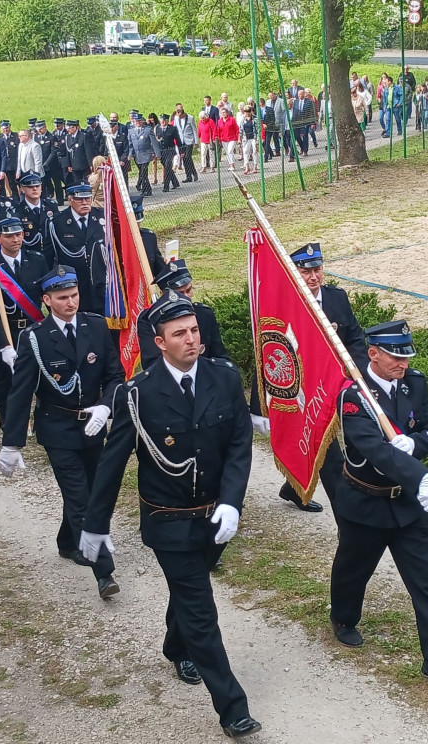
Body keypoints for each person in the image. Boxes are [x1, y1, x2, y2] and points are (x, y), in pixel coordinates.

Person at [80, 291, 262, 740]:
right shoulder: (137, 394)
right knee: (201, 610)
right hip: (169, 520)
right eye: (179, 334)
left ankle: (172, 645)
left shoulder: (223, 376)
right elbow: (112, 463)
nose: (191, 340)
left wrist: (232, 502)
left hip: (216, 517)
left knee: (189, 590)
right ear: (159, 342)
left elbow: (239, 444)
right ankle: (232, 708)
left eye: (195, 330)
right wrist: (94, 525)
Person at [328, 320, 428, 694]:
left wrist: (415, 444)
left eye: (406, 356)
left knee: (426, 584)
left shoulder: (414, 383)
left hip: (407, 507)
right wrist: (416, 472)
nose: (402, 364)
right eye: (394, 356)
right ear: (373, 353)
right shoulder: (354, 395)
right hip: (367, 501)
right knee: (353, 570)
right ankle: (343, 619)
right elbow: (372, 448)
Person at [0, 265, 124, 599]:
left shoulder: (95, 327)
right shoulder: (35, 339)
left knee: (94, 488)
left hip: (93, 425)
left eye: (75, 295)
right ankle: (104, 572)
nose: (71, 303)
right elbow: (21, 391)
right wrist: (12, 443)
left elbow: (115, 375)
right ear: (47, 300)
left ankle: (67, 542)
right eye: (63, 297)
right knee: (82, 499)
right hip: (57, 428)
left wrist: (106, 406)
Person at [252, 243, 368, 513]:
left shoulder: (336, 298)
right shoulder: (286, 307)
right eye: (306, 272)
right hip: (304, 392)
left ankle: (293, 488)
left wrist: (360, 375)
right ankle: (345, 515)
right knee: (326, 449)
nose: (314, 277)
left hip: (338, 383)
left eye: (317, 270)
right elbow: (267, 353)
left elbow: (354, 338)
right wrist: (258, 406)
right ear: (294, 273)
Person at [0, 216, 49, 429]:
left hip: (31, 328)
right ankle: (10, 421)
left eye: (18, 234)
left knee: (40, 375)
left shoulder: (37, 260)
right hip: (4, 331)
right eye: (9, 236)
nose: (16, 239)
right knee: (5, 380)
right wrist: (5, 345)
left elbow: (48, 296)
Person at [137, 259, 227, 368]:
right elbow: (152, 363)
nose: (186, 297)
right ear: (163, 294)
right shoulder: (149, 319)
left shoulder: (204, 314)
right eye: (180, 293)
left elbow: (220, 356)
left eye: (188, 290)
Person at [44, 184, 105, 313]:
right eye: (79, 200)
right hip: (74, 284)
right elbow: (50, 256)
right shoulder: (58, 222)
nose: (84, 203)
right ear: (70, 200)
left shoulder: (102, 217)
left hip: (101, 282)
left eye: (87, 199)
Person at [127, 113, 161, 198]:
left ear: (142, 121)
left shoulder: (148, 130)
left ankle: (144, 190)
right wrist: (130, 154)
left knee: (143, 172)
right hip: (137, 156)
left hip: (146, 155)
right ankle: (148, 189)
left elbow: (154, 142)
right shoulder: (131, 131)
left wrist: (157, 154)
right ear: (134, 121)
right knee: (142, 173)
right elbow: (130, 144)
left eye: (139, 121)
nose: (138, 122)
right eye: (136, 121)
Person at [154, 113, 182, 193]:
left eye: (164, 120)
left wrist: (181, 151)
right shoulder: (158, 128)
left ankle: (166, 186)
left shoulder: (172, 129)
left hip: (170, 150)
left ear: (167, 121)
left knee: (167, 166)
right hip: (162, 152)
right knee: (167, 168)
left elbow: (178, 140)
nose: (163, 122)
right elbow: (156, 141)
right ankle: (175, 182)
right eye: (161, 120)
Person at [172, 102, 199, 182]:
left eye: (181, 116)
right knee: (184, 158)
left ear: (183, 114)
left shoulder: (190, 118)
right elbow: (175, 129)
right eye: (178, 116)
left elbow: (194, 130)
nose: (179, 117)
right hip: (181, 141)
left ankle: (194, 173)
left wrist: (196, 141)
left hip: (189, 140)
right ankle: (188, 176)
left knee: (188, 157)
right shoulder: (176, 118)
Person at [217, 107, 239, 171]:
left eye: (224, 112)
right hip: (224, 139)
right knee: (227, 152)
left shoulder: (232, 119)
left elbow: (236, 128)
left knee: (230, 150)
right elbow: (218, 130)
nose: (223, 114)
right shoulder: (219, 121)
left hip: (232, 138)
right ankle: (230, 164)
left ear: (227, 113)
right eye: (222, 113)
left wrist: (237, 137)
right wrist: (219, 138)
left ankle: (232, 164)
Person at [240, 107, 259, 174]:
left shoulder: (255, 118)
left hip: (253, 137)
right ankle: (247, 166)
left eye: (248, 112)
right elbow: (241, 129)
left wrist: (257, 139)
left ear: (251, 111)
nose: (247, 113)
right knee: (245, 151)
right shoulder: (243, 119)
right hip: (246, 138)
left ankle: (255, 166)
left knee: (254, 152)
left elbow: (258, 129)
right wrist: (239, 138)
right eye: (245, 112)